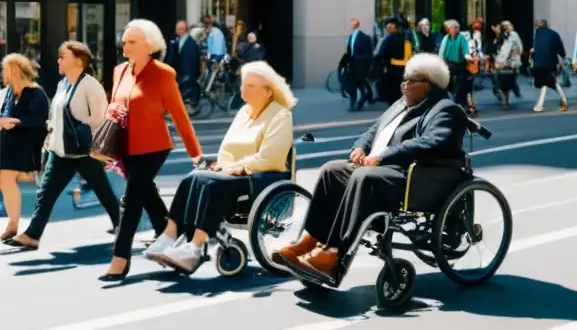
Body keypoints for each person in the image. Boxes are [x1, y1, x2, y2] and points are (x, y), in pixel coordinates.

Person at [273, 53, 467, 287]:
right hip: (382, 167)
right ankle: (311, 240)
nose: (403, 85)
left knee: (363, 177)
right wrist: (360, 147)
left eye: (409, 81)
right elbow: (374, 130)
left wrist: (382, 156)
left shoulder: (446, 110)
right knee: (331, 170)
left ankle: (334, 254)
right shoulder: (401, 103)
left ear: (426, 86)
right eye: (403, 80)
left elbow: (427, 143)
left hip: (411, 177)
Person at [145, 61, 295, 273]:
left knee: (214, 183)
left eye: (251, 85)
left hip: (261, 176)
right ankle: (169, 236)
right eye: (244, 84)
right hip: (233, 173)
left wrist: (236, 167)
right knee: (194, 177)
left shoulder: (280, 115)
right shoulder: (244, 112)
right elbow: (226, 148)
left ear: (268, 91)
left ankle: (194, 248)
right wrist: (220, 165)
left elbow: (270, 158)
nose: (243, 89)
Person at [100, 19, 203, 282]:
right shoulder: (119, 70)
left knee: (131, 200)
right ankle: (169, 235)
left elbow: (180, 115)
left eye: (132, 42)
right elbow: (114, 103)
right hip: (126, 146)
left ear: (150, 45)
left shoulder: (163, 73)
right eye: (125, 41)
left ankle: (120, 259)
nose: (126, 46)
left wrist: (196, 154)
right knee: (147, 194)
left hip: (153, 147)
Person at [6, 42, 121, 249]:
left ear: (79, 61)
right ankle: (33, 235)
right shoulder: (62, 85)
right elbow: (55, 115)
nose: (58, 60)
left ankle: (122, 224)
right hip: (59, 151)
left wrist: (81, 129)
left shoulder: (90, 85)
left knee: (102, 190)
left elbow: (100, 118)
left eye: (63, 57)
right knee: (45, 194)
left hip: (82, 152)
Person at [0, 54, 50, 241]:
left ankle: (13, 225)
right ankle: (13, 223)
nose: (4, 73)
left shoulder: (36, 92)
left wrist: (16, 122)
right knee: (4, 180)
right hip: (9, 143)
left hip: (26, 144)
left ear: (16, 71)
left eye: (7, 69)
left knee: (5, 178)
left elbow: (39, 120)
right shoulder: (11, 92)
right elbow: (5, 114)